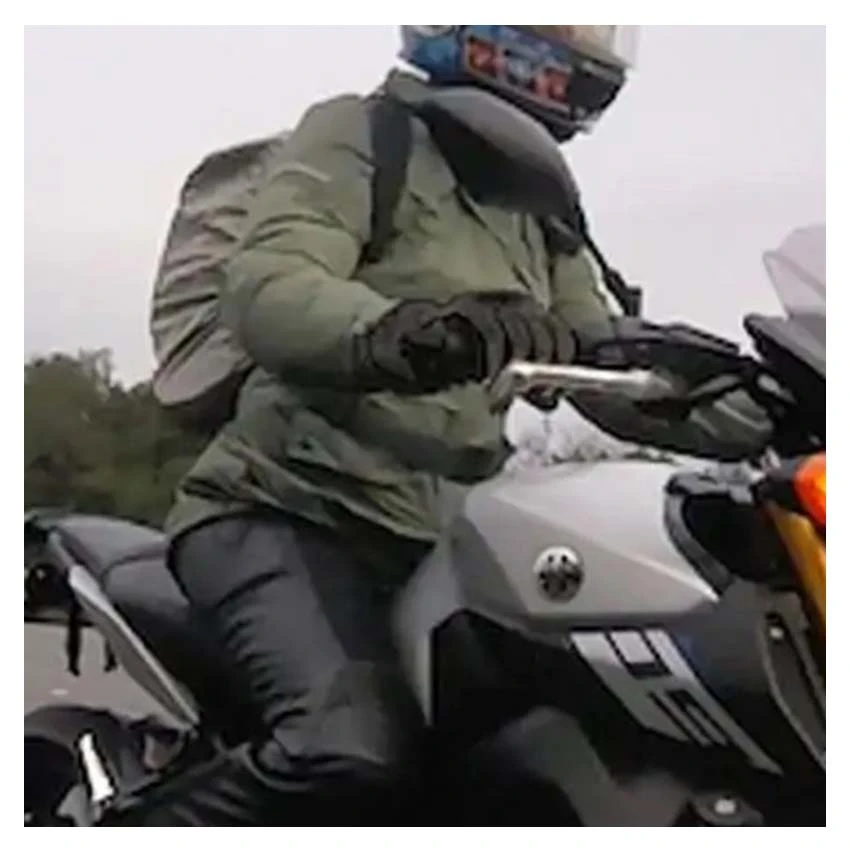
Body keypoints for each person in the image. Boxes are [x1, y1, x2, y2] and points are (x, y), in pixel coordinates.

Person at [147, 26, 768, 825]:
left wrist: (770, 406)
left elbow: (610, 363)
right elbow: (271, 286)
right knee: (345, 753)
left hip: (446, 546)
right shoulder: (362, 132)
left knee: (538, 755)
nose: (582, 40)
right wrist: (405, 332)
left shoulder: (540, 209)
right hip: (287, 510)